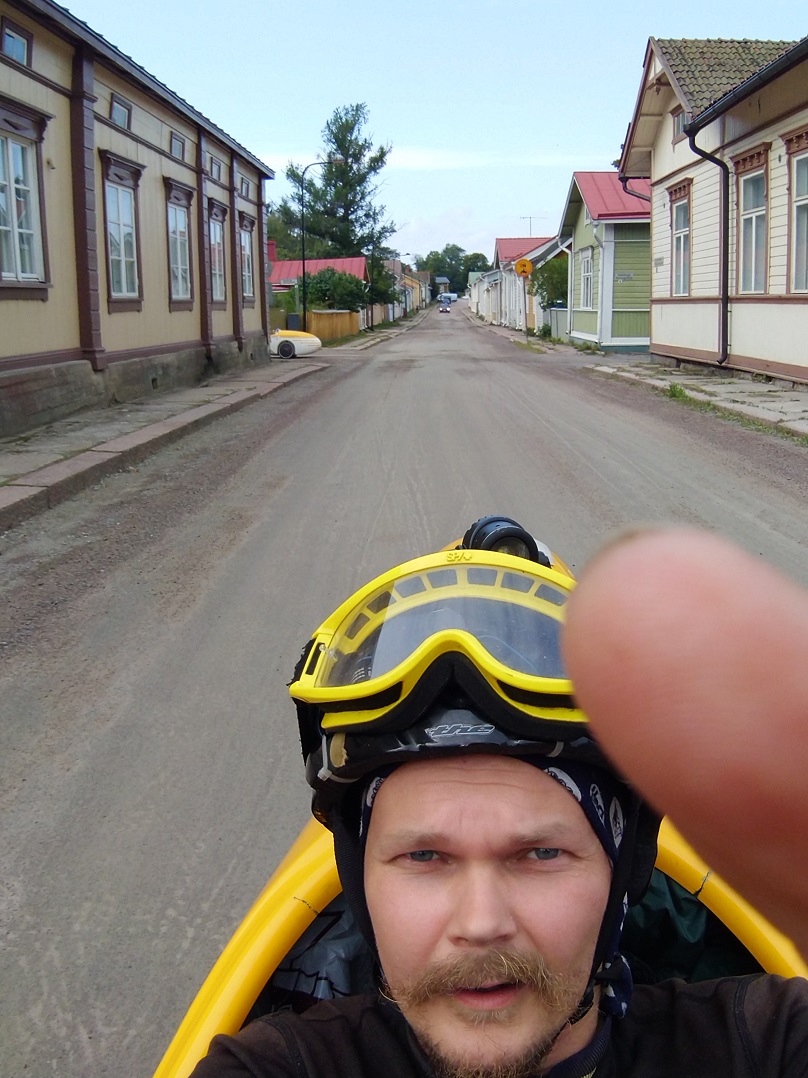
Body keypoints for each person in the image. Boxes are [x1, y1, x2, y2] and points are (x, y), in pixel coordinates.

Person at [192, 519, 808, 1078]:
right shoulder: (275, 1067)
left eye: (540, 854)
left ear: (623, 870)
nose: (481, 924)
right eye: (424, 857)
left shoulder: (765, 1043)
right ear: (359, 881)